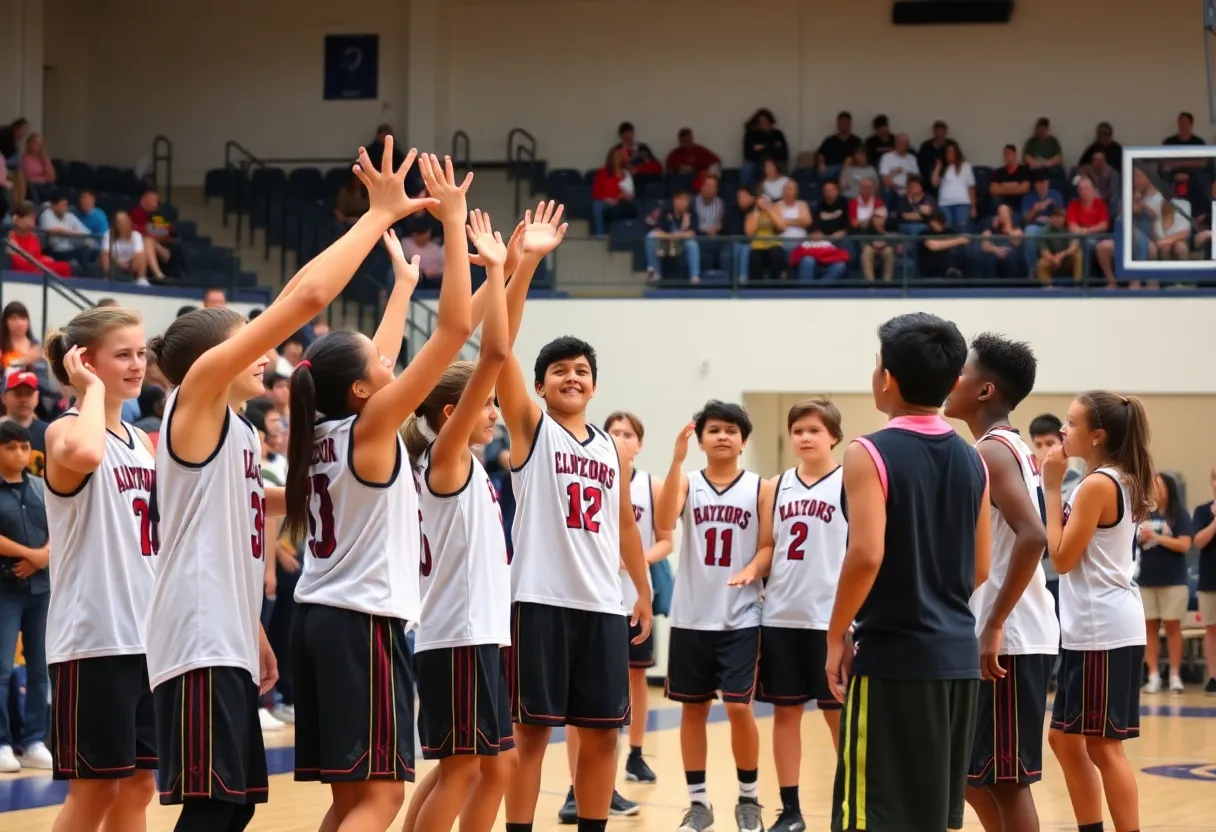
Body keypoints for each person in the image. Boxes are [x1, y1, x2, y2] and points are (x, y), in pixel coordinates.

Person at [143, 139, 436, 832]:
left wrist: (254, 630)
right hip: (195, 636)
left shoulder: (240, 434)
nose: (267, 349)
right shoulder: (196, 399)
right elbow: (306, 297)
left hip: (226, 633)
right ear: (217, 356)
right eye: (250, 337)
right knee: (217, 808)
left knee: (233, 805)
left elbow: (255, 508)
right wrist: (376, 216)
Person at [284, 155, 473, 832]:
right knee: (382, 800)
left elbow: (385, 362)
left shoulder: (327, 426)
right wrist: (452, 224)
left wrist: (402, 286)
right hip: (358, 624)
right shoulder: (369, 428)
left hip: (318, 618)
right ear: (364, 389)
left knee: (351, 800)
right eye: (375, 361)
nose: (387, 362)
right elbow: (452, 335)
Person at [498, 201, 653, 832]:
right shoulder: (531, 430)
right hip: (540, 600)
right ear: (539, 387)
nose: (571, 376)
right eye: (558, 370)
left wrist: (640, 590)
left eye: (581, 371)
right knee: (530, 736)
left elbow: (622, 526)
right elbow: (498, 345)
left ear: (594, 385)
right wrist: (526, 265)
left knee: (602, 737)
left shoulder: (610, 450)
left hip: (602, 604)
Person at [826, 312, 992, 832]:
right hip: (957, 662)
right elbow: (980, 568)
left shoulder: (867, 450)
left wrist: (836, 637)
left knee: (868, 817)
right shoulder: (973, 459)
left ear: (887, 379)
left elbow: (866, 554)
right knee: (929, 820)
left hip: (895, 659)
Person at [393, 209, 515, 832]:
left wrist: (511, 271)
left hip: (476, 635)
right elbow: (495, 351)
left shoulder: (456, 462)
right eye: (485, 405)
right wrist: (501, 271)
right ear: (454, 411)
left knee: (475, 769)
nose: (494, 414)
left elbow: (496, 354)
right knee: (467, 769)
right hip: (458, 636)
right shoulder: (445, 460)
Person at [36, 308, 157, 828]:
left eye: (141, 353)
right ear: (84, 361)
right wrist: (87, 390)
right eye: (123, 354)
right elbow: (86, 453)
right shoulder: (64, 432)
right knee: (95, 789)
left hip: (147, 635)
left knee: (139, 786)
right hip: (93, 639)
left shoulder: (141, 442)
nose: (138, 365)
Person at [943, 334, 1059, 832]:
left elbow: (1035, 535)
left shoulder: (993, 450)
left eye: (961, 373)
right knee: (971, 777)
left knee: (1008, 783)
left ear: (986, 391)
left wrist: (993, 624)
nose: (952, 380)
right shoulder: (1001, 447)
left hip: (1010, 638)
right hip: (1000, 633)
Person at [729, 399, 847, 832]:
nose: (804, 437)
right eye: (797, 430)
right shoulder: (776, 487)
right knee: (785, 715)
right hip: (780, 618)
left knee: (840, 719)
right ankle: (791, 810)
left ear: (833, 435)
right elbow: (767, 547)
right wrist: (750, 570)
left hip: (831, 622)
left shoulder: (850, 483)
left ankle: (847, 807)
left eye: (814, 430)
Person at [1043, 392, 1153, 832]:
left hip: (1102, 628)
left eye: (1071, 424)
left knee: (1104, 748)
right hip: (1090, 626)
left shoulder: (1097, 484)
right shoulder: (1108, 478)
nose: (1063, 431)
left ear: (1097, 436)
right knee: (1064, 740)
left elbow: (1062, 558)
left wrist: (1052, 489)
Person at [655, 401, 768, 832]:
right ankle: (698, 804)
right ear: (700, 439)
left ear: (744, 440)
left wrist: (752, 569)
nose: (723, 435)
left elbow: (768, 545)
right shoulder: (687, 483)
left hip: (741, 617)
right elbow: (664, 522)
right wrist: (676, 460)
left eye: (731, 430)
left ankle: (749, 798)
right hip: (691, 617)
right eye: (714, 429)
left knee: (739, 707)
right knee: (693, 711)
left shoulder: (760, 486)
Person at [555, 411, 672, 824]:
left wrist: (636, 562)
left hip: (632, 594)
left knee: (631, 683)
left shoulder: (649, 484)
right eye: (616, 431)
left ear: (639, 443)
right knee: (585, 703)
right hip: (593, 596)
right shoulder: (589, 469)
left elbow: (664, 540)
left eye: (629, 434)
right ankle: (578, 787)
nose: (621, 438)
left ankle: (635, 756)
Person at [0, 421, 50, 775]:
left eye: (23, 446)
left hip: (42, 589)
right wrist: (32, 554)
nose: (19, 453)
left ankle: (34, 740)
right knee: (2, 669)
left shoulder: (40, 487)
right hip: (5, 590)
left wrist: (43, 555)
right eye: (10, 447)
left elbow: (63, 523)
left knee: (40, 668)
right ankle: (3, 742)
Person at [1137, 472, 1193, 694]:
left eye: (1159, 485)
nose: (1155, 490)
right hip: (1147, 580)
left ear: (1169, 489)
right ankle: (1153, 675)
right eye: (1152, 486)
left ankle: (1175, 676)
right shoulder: (1143, 513)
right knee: (1149, 629)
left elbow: (1184, 545)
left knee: (1172, 627)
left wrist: (1157, 537)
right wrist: (1141, 538)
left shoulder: (1179, 514)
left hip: (1173, 580)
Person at [1192, 469, 1216, 695]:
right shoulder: (1201, 511)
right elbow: (1198, 541)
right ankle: (1213, 676)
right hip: (1210, 579)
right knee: (1211, 629)